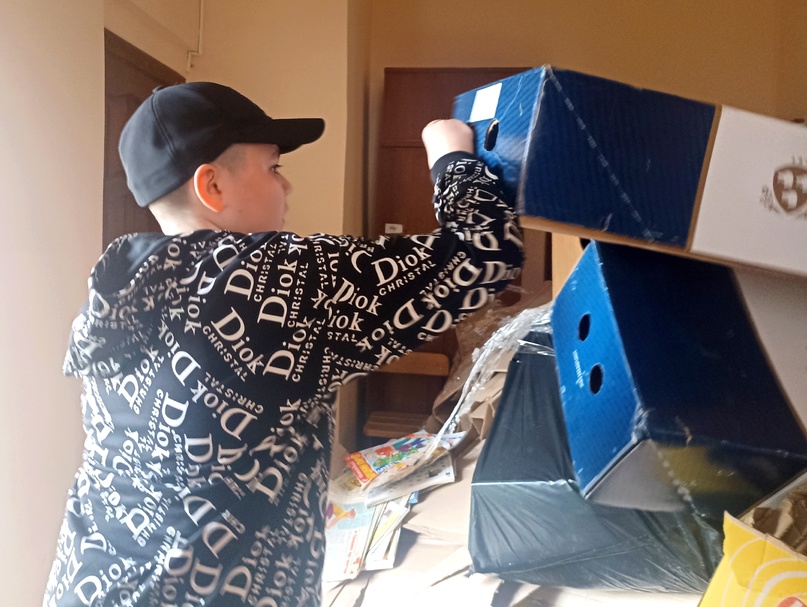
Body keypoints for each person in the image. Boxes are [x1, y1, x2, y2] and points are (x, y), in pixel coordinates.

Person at [43, 81, 523, 607]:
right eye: (274, 168)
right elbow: (484, 252)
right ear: (212, 186)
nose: (287, 186)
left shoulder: (130, 286)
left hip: (92, 582)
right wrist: (450, 156)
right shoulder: (260, 278)